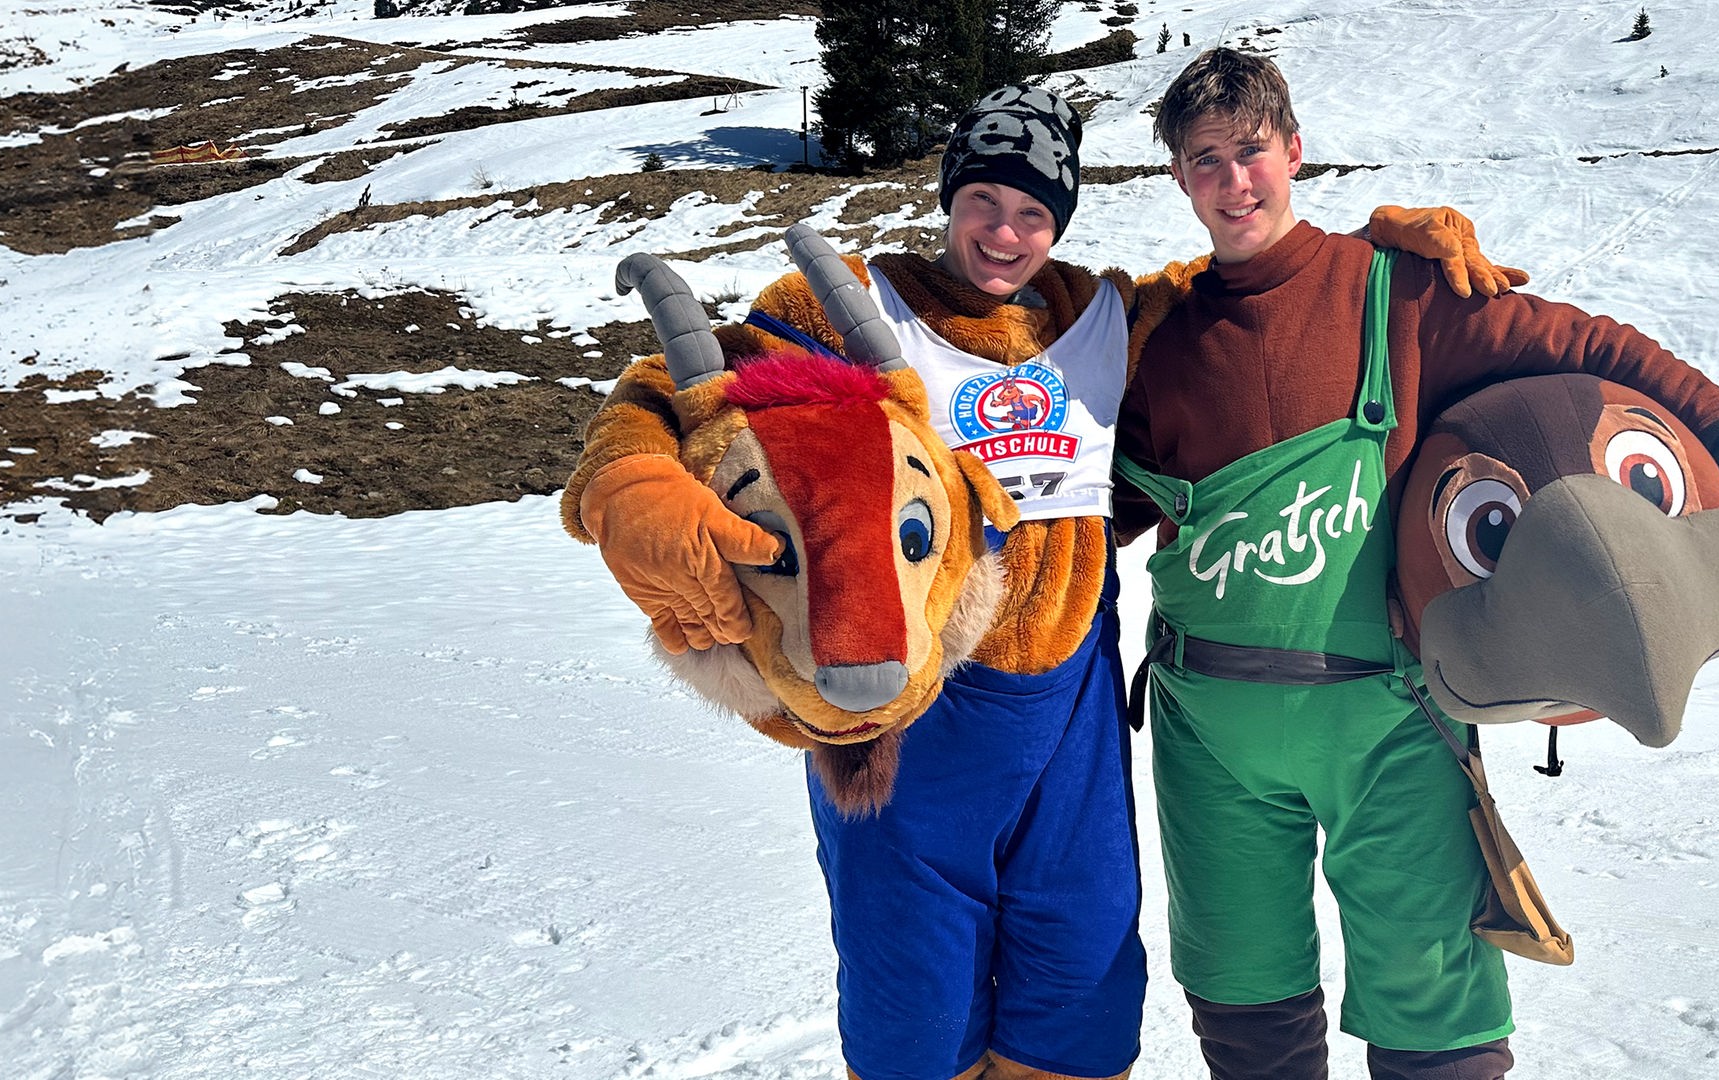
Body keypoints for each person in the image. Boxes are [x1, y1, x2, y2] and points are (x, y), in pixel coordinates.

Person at [562, 84, 1507, 1080]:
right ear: (949, 198)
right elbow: (689, 386)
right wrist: (629, 472)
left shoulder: (1100, 315)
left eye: (1034, 212)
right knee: (913, 1008)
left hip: (1072, 719)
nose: (1006, 234)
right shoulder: (850, 308)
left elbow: (1256, 285)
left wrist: (1380, 260)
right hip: (907, 712)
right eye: (984, 202)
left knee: (1083, 989)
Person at [1113, 47, 1719, 1080]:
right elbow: (1095, 508)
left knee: (1435, 1008)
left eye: (1251, 151)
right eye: (1205, 159)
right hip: (1208, 728)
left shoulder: (1401, 295)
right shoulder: (1162, 341)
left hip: (1390, 722)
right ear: (1179, 176)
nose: (1233, 181)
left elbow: (1599, 352)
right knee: (1241, 998)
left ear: (1294, 151)